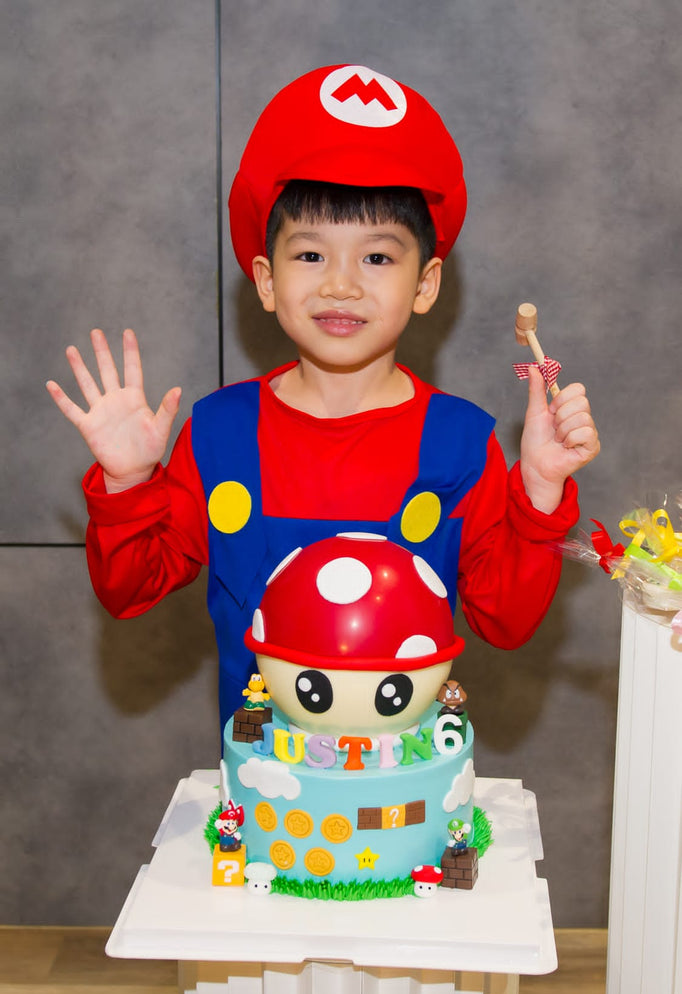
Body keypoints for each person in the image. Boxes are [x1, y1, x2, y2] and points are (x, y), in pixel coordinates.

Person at [46, 65, 600, 733]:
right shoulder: (219, 432)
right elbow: (130, 592)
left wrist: (538, 492)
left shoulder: (460, 441)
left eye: (377, 258)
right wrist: (129, 482)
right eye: (309, 256)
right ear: (266, 278)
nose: (340, 284)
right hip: (264, 805)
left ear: (425, 286)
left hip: (406, 801)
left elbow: (504, 623)